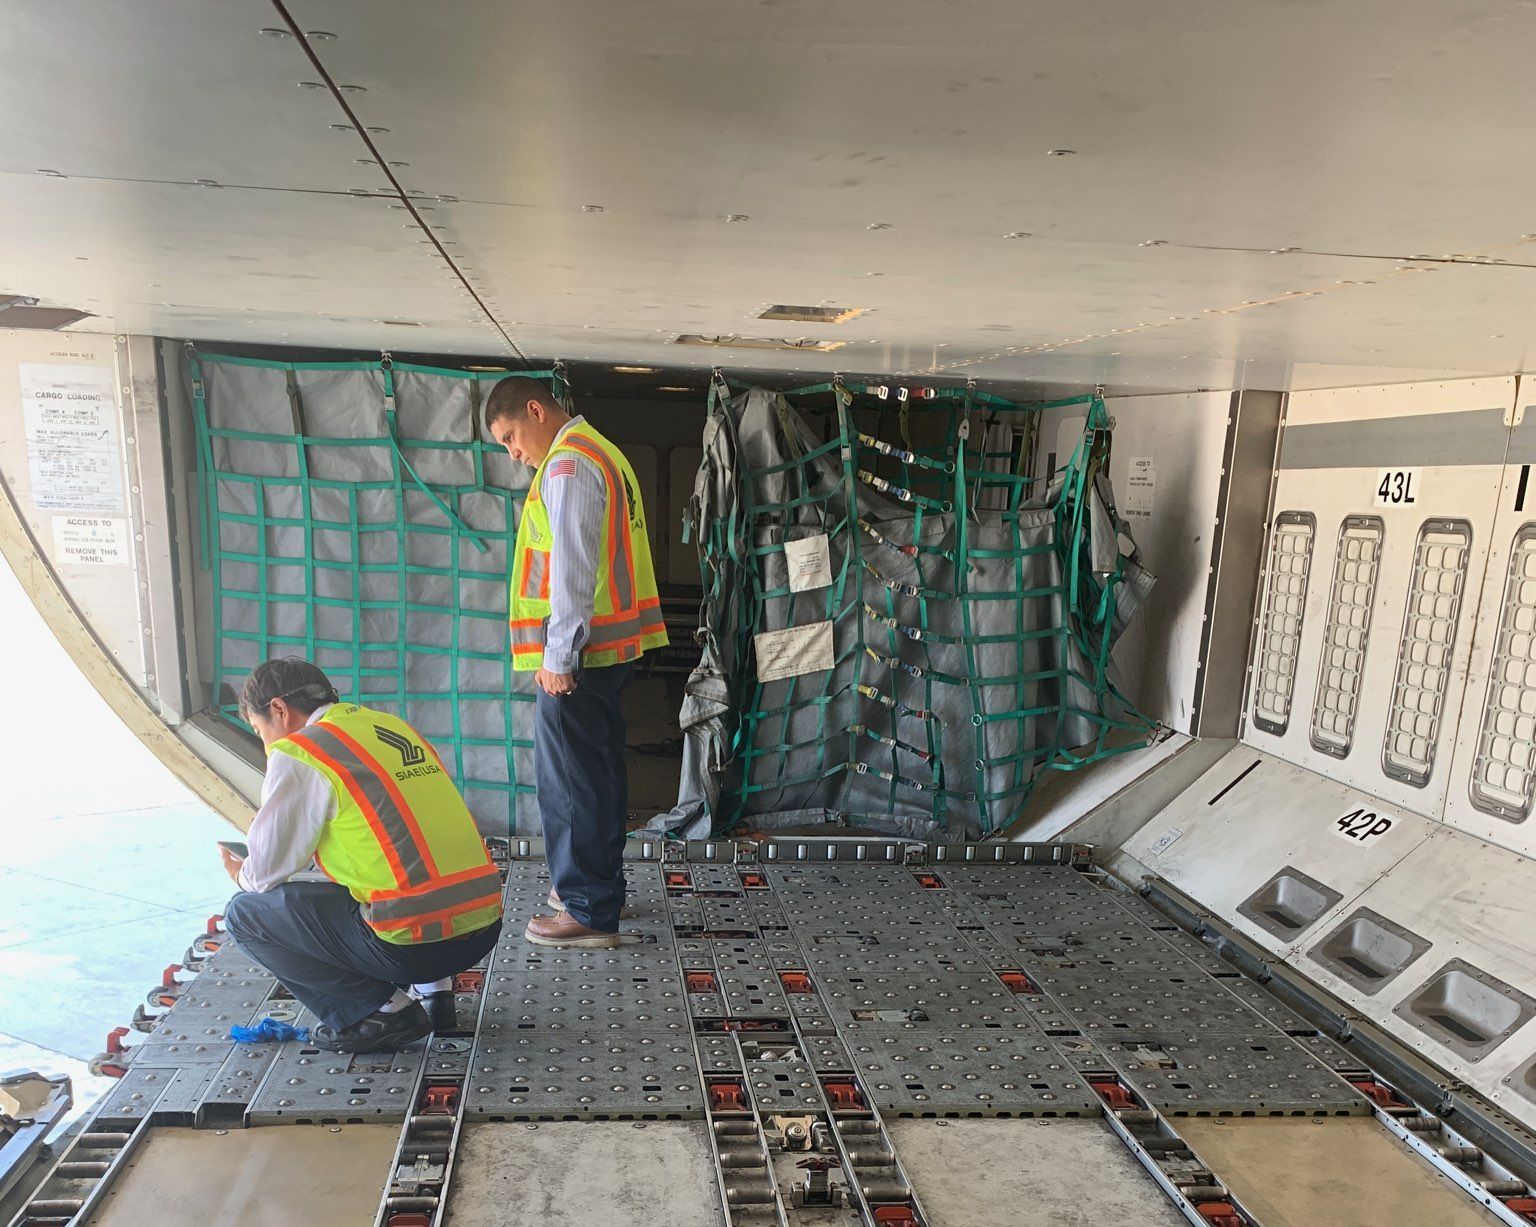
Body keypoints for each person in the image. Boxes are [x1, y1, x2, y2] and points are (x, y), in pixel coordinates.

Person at [219, 658, 503, 1053]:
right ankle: (436, 997)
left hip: (413, 946)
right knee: (400, 876)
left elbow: (267, 871)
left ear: (280, 710)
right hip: (483, 927)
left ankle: (380, 1011)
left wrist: (238, 872)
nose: (266, 743)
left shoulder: (299, 751)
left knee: (245, 914)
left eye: (259, 729)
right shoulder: (389, 726)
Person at [485, 376, 668, 948]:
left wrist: (558, 656)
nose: (514, 454)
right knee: (597, 775)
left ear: (537, 410)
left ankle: (587, 908)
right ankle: (594, 890)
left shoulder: (568, 466)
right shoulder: (601, 452)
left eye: (512, 436)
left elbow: (572, 567)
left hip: (578, 657)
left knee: (571, 783)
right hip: (607, 650)